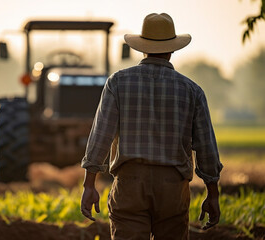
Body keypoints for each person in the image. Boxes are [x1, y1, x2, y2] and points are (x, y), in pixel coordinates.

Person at [80, 13, 223, 240]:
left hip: (130, 184)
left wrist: (89, 185)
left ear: (142, 47)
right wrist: (212, 193)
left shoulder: (118, 82)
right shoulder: (192, 90)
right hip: (173, 187)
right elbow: (206, 148)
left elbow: (101, 137)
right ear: (172, 49)